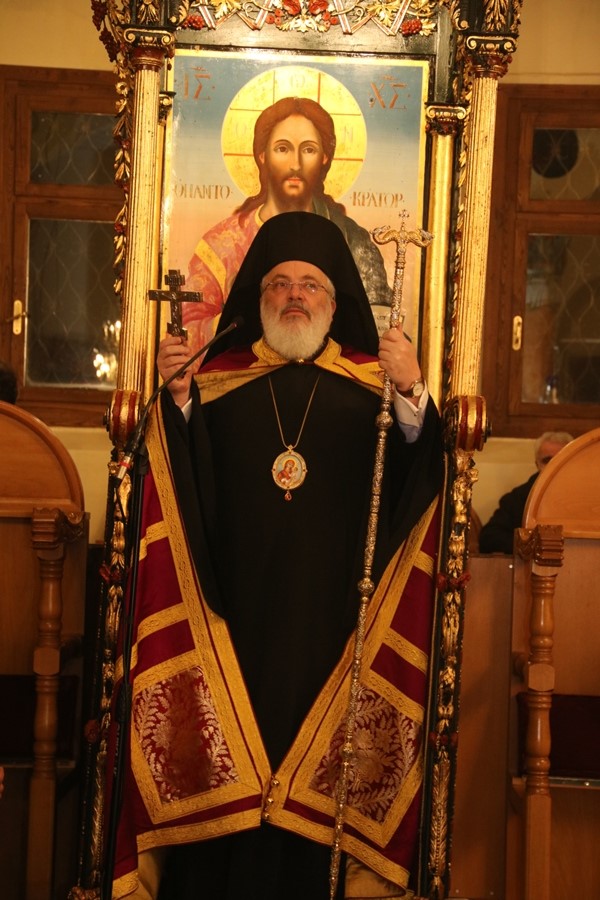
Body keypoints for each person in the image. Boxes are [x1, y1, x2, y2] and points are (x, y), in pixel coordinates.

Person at [108, 212, 444, 899]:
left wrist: (413, 390)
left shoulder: (374, 392)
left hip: (334, 626)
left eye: (311, 285)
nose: (295, 296)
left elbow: (420, 482)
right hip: (234, 623)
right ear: (257, 298)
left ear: (335, 303)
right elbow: (179, 487)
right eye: (280, 284)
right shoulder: (215, 385)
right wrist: (177, 402)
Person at [181, 96, 392, 354]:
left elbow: (377, 332)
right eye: (283, 148)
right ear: (262, 155)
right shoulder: (220, 245)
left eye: (309, 149)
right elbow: (191, 328)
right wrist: (256, 313)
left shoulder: (353, 242)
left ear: (325, 157)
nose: (296, 164)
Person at [478, 430, 574, 554]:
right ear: (537, 464)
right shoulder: (517, 498)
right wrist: (529, 546)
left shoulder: (586, 496)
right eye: (547, 460)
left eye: (560, 459)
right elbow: (489, 538)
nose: (553, 466)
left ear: (572, 462)